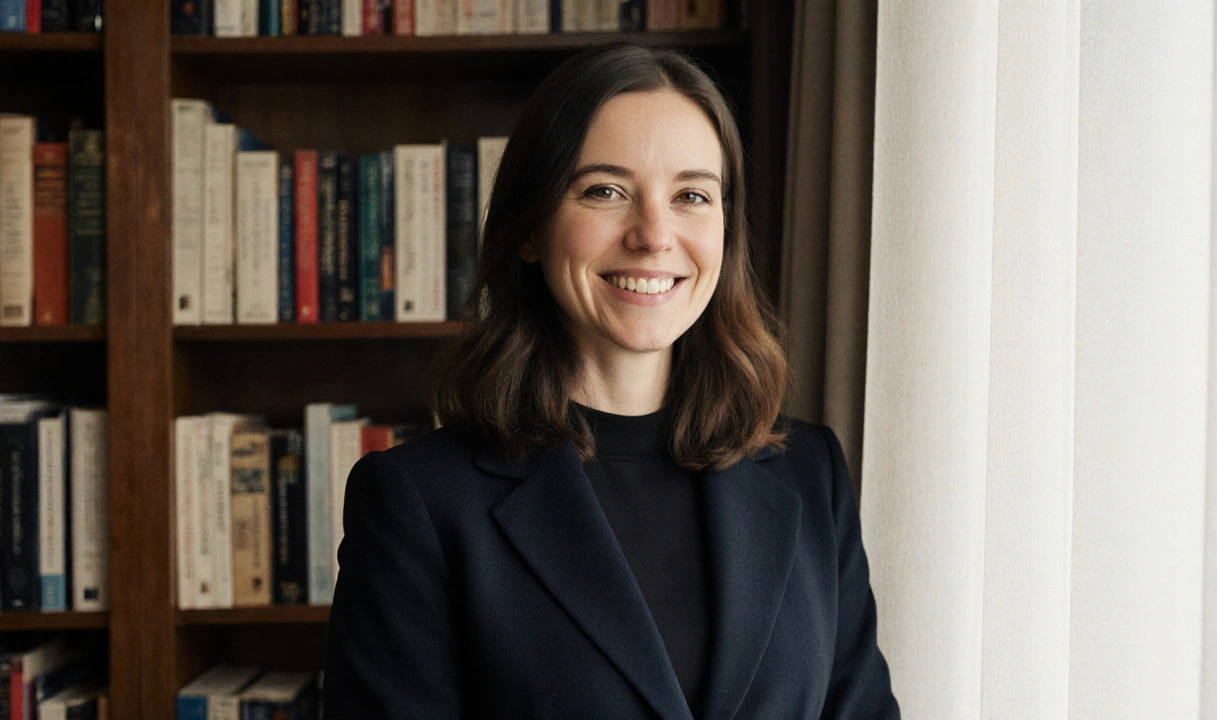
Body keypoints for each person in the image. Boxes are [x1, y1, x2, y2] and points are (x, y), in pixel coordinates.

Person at [323, 43, 899, 719]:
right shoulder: (419, 502)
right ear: (530, 227)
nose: (654, 235)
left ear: (725, 230)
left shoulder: (810, 473)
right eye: (606, 191)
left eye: (691, 195)